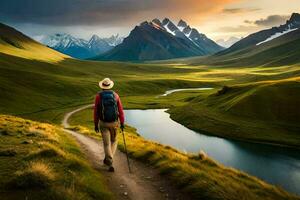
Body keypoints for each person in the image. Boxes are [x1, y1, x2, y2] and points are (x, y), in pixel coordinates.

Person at [94, 78, 125, 172]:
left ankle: (109, 161)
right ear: (110, 85)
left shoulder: (98, 96)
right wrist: (122, 123)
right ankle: (109, 159)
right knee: (114, 141)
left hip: (103, 123)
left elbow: (96, 112)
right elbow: (120, 111)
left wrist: (96, 124)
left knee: (106, 144)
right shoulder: (115, 95)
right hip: (115, 123)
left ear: (102, 86)